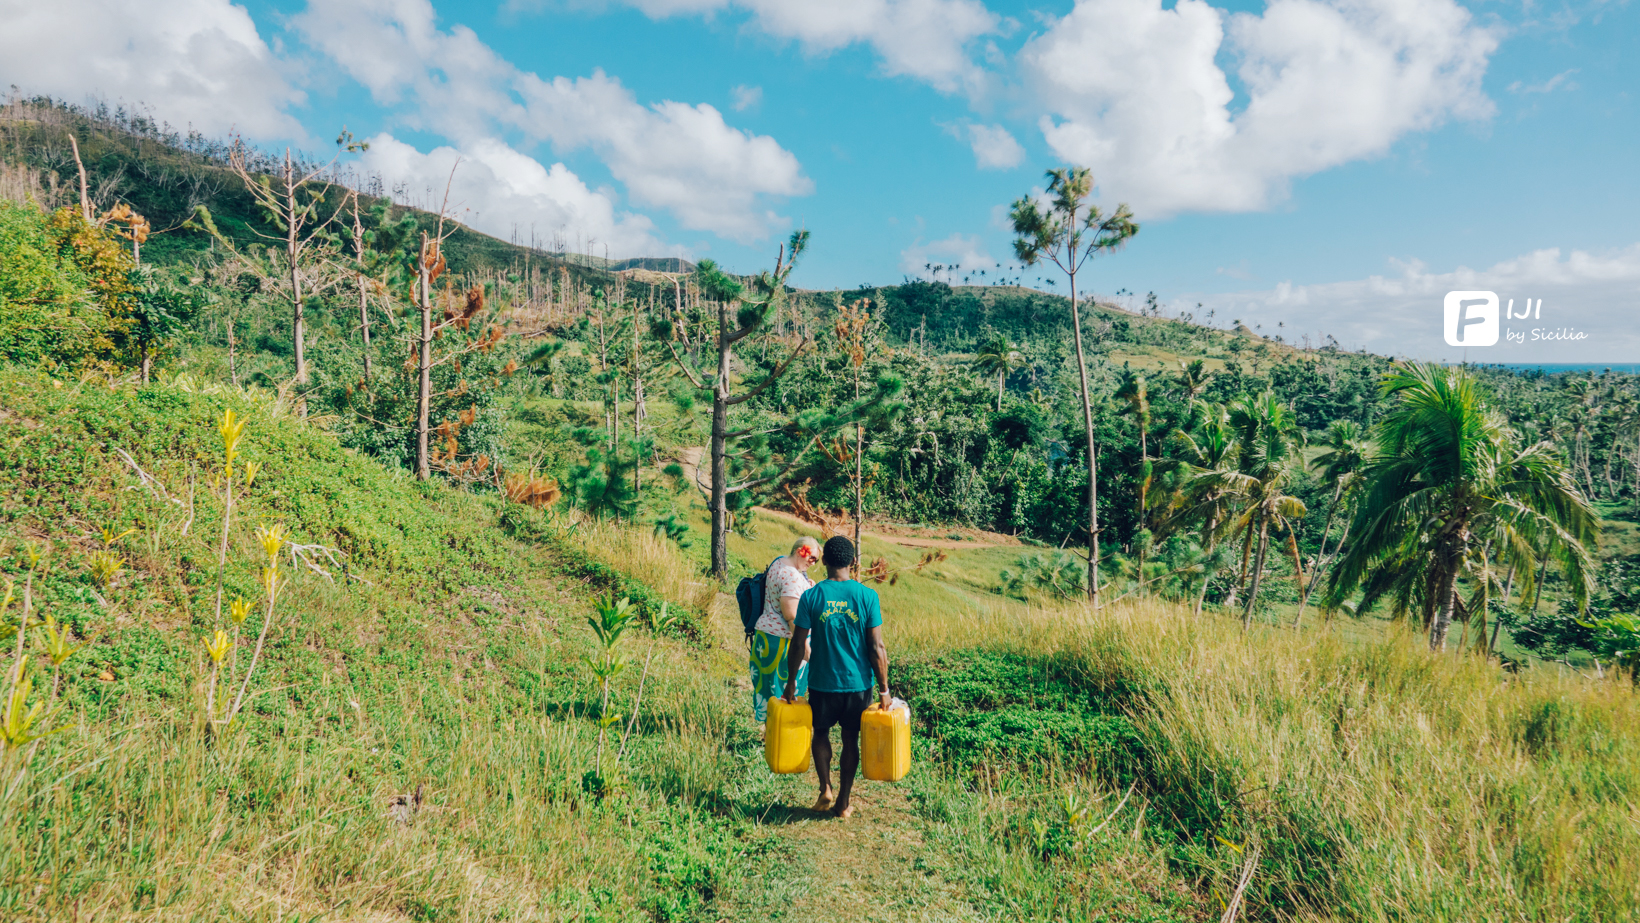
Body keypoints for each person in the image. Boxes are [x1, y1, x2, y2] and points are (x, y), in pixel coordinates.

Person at [784, 536, 890, 818]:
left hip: (821, 682)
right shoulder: (867, 596)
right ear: (853, 562)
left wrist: (791, 681)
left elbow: (798, 643)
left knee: (820, 732)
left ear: (826, 562)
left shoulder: (811, 596)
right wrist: (884, 689)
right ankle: (843, 802)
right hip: (858, 684)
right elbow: (876, 646)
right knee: (850, 738)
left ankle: (825, 788)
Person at [749, 536, 821, 723]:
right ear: (800, 551)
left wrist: (807, 586)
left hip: (766, 638)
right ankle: (778, 740)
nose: (813, 563)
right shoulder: (792, 576)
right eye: (812, 558)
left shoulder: (779, 562)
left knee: (769, 693)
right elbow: (792, 616)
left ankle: (769, 737)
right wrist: (805, 648)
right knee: (783, 695)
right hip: (783, 644)